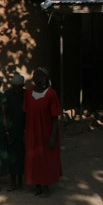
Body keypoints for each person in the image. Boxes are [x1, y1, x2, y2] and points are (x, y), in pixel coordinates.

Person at [24, 67, 62, 197]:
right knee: (34, 157)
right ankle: (37, 185)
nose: (35, 77)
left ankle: (46, 186)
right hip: (32, 132)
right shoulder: (29, 93)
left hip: (46, 132)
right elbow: (26, 113)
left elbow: (55, 118)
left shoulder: (51, 94)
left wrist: (52, 137)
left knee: (46, 159)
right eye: (34, 75)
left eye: (39, 75)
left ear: (45, 77)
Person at [5, 73, 26, 191]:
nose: (17, 89)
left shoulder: (26, 95)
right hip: (11, 130)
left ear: (22, 86)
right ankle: (12, 182)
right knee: (12, 157)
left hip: (22, 129)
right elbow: (5, 114)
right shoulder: (8, 95)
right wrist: (7, 131)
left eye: (19, 86)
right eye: (15, 86)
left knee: (21, 157)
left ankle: (20, 182)